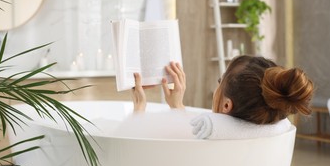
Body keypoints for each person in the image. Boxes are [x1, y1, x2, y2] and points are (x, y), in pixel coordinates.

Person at [132, 55, 314, 125]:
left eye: (220, 81)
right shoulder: (269, 127)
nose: (216, 86)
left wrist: (139, 108)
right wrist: (177, 106)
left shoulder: (207, 144)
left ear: (227, 105)